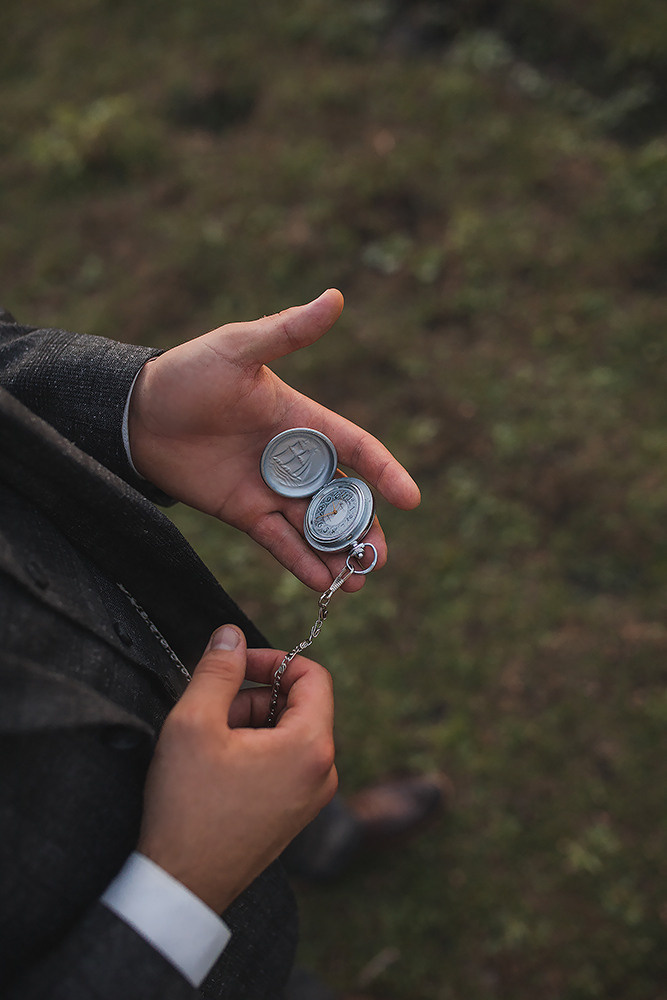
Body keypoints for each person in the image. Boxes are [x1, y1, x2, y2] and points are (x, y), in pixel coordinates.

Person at [0, 290, 422, 999]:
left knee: (257, 741)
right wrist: (179, 889)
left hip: (111, 634)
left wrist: (130, 405)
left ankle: (320, 835)